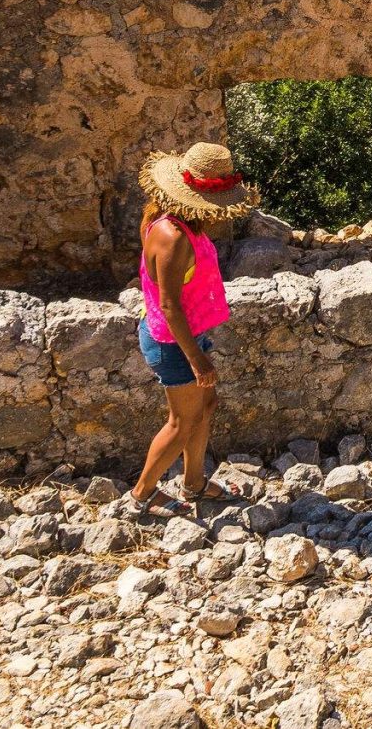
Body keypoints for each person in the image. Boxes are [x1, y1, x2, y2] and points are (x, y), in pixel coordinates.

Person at [129, 140, 256, 510]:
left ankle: (194, 483)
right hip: (172, 341)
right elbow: (169, 305)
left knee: (205, 405)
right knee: (181, 422)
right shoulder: (173, 237)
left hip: (186, 334)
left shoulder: (177, 225)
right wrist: (196, 359)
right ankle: (142, 494)